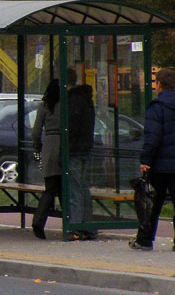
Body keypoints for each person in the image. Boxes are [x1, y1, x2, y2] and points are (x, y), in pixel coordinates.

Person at [129, 68, 175, 252]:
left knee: (153, 202)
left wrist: (146, 159)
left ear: (159, 84)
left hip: (160, 164)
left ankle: (145, 239)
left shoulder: (156, 107)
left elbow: (153, 136)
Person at [67, 67, 97, 241]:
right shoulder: (86, 99)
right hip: (85, 148)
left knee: (75, 190)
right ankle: (89, 227)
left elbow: (71, 128)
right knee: (83, 188)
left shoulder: (73, 101)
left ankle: (76, 227)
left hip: (75, 150)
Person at [31, 79, 61, 239]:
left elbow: (35, 132)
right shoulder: (66, 105)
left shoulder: (43, 105)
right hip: (64, 146)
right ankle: (71, 223)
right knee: (63, 188)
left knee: (50, 188)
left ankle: (38, 221)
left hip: (49, 147)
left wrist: (38, 147)